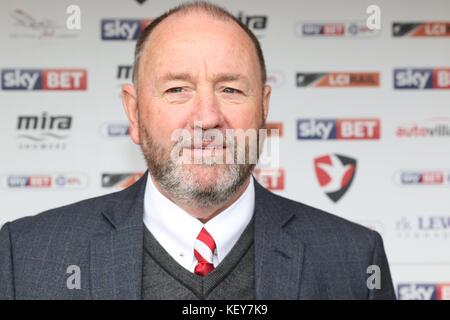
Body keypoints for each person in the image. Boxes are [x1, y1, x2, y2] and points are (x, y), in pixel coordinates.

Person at [0, 1, 395, 300]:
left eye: (231, 89)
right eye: (176, 89)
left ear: (264, 108)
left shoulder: (355, 259)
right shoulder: (28, 256)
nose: (206, 118)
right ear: (134, 113)